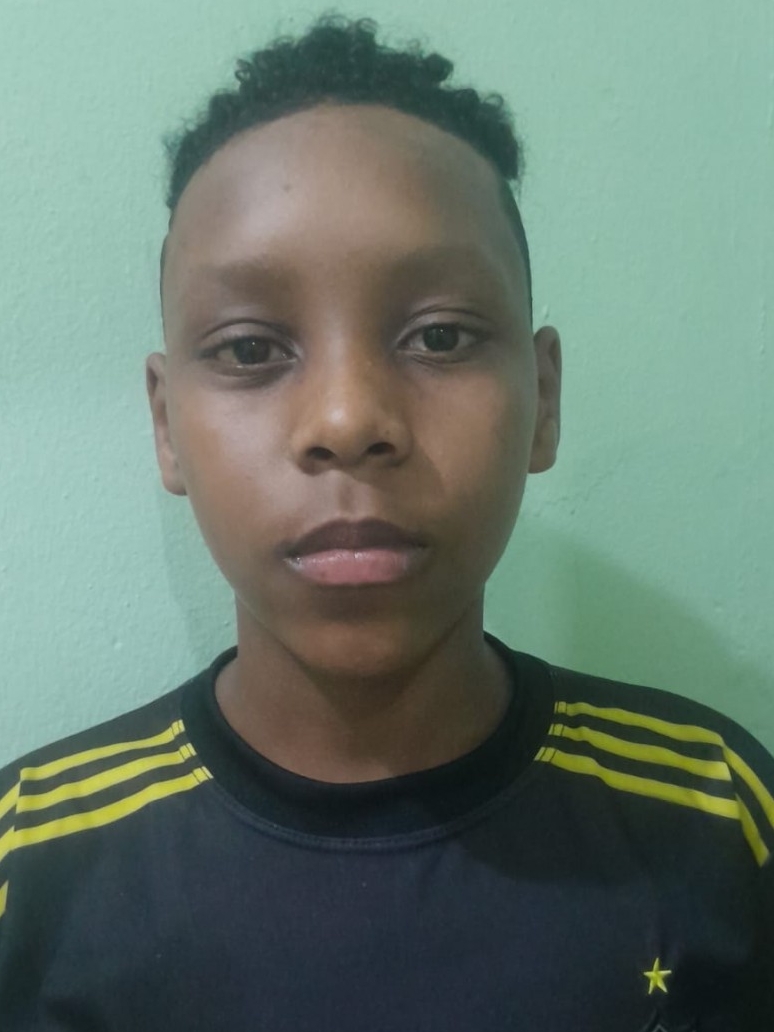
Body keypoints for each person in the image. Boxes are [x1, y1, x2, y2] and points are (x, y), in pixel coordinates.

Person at [0, 12, 771, 1031]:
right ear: (166, 424)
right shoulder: (32, 865)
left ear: (542, 398)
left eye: (439, 336)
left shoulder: (716, 817)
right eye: (249, 349)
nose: (347, 420)